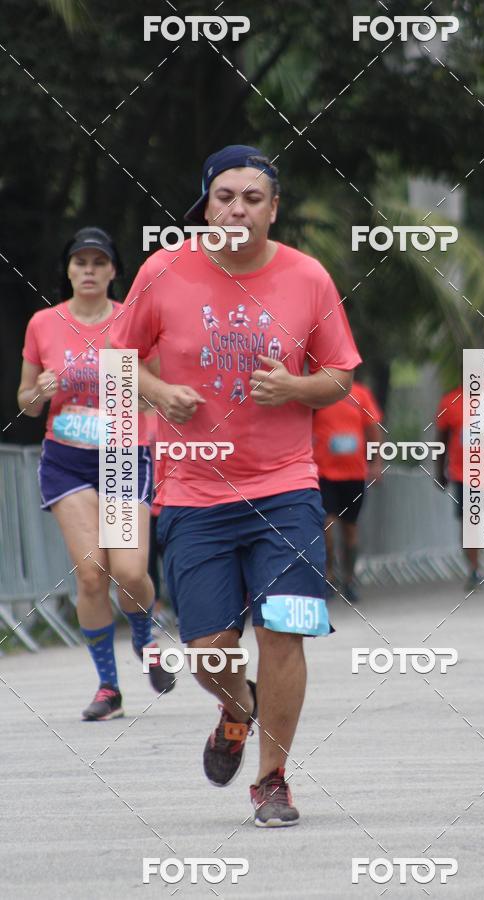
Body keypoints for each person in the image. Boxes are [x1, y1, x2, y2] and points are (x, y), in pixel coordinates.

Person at [109, 145, 361, 827]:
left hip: (286, 490)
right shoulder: (165, 270)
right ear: (205, 204)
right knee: (208, 651)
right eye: (225, 196)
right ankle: (238, 707)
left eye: (253, 197)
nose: (238, 208)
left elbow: (339, 373)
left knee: (285, 630)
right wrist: (160, 390)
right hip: (195, 494)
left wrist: (295, 386)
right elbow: (116, 359)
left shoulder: (307, 278)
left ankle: (273, 780)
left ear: (273, 209)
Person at [17, 227, 175, 721]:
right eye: (80, 261)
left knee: (129, 572)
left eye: (98, 262)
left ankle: (146, 641)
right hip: (67, 459)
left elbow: (158, 391)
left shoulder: (133, 321)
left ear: (113, 271)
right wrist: (40, 391)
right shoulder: (43, 323)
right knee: (90, 575)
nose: (88, 270)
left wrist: (132, 389)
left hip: (125, 455)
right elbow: (24, 404)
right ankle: (108, 687)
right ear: (68, 270)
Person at [312, 378, 383, 602]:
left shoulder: (361, 394)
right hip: (324, 473)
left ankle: (350, 580)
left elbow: (372, 429)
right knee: (327, 527)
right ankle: (329, 576)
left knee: (350, 530)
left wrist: (376, 463)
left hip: (354, 474)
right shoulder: (318, 393)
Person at [435, 384, 482, 592]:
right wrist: (439, 470)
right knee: (471, 522)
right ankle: (474, 570)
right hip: (464, 473)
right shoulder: (450, 401)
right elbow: (442, 438)